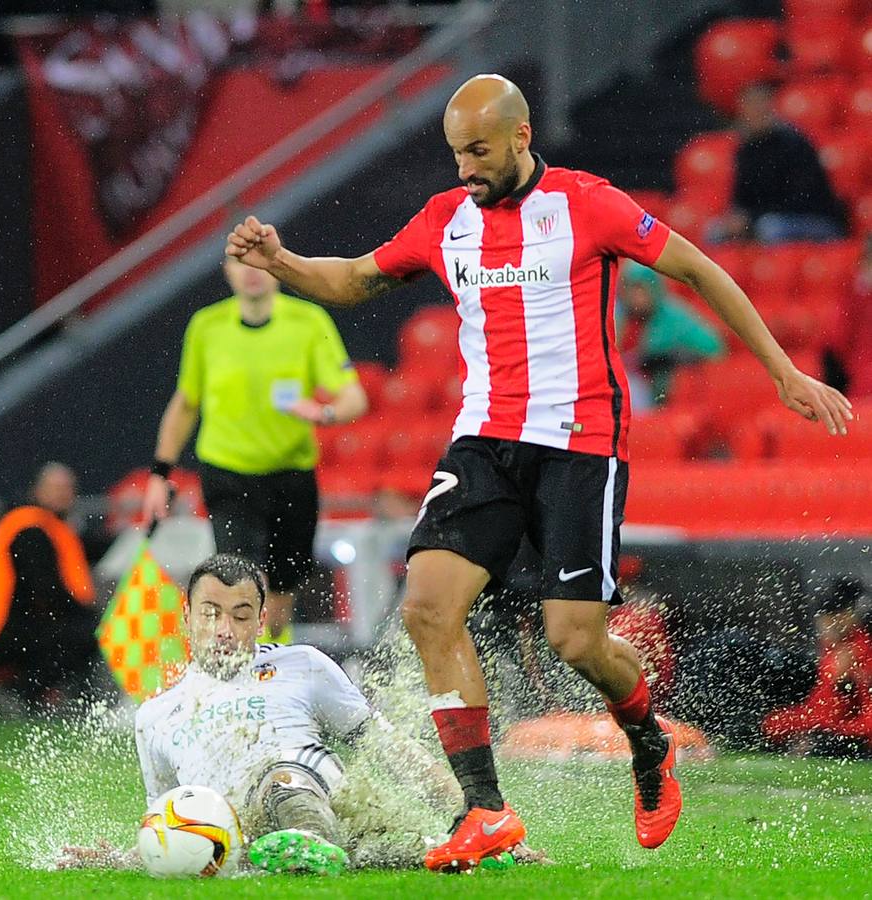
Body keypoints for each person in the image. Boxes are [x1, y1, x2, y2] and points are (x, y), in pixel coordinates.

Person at [224, 73, 853, 871]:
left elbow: (697, 270)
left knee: (575, 639)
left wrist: (782, 374)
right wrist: (281, 260)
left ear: (521, 137)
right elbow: (354, 278)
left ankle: (646, 742)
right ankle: (485, 809)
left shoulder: (587, 202)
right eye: (456, 154)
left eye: (479, 151)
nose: (465, 170)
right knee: (427, 606)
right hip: (484, 440)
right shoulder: (447, 218)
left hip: (579, 443)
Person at [57, 552, 470, 875]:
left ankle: (312, 841)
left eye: (240, 615)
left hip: (309, 788)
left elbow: (385, 746)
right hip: (236, 832)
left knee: (280, 779)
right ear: (186, 616)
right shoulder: (155, 716)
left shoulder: (303, 664)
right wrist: (122, 858)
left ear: (261, 620)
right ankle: (298, 852)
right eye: (210, 613)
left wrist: (467, 813)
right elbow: (170, 814)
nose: (224, 629)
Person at [142, 257, 368, 645]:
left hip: (290, 474)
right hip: (227, 472)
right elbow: (186, 403)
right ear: (226, 270)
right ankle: (235, 670)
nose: (251, 270)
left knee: (281, 590)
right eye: (239, 261)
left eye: (260, 260)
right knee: (236, 577)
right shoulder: (206, 326)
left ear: (278, 266)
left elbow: (355, 397)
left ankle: (271, 661)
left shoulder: (308, 322)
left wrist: (324, 412)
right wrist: (160, 475)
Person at [0, 463, 99, 715]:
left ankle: (20, 694)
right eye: (55, 488)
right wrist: (86, 615)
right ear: (37, 491)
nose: (62, 494)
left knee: (77, 632)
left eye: (67, 488)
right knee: (84, 636)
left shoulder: (45, 525)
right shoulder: (30, 528)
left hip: (2, 625)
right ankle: (18, 693)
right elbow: (44, 588)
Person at [708, 82, 846, 244]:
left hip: (814, 220)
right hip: (764, 218)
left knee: (770, 228)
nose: (754, 112)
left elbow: (801, 200)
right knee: (714, 231)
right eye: (749, 107)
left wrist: (751, 218)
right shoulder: (746, 149)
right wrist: (736, 218)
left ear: (771, 107)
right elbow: (741, 198)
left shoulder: (794, 144)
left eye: (759, 105)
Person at [763, 578, 872, 758]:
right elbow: (823, 705)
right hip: (832, 720)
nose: (823, 627)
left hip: (854, 725)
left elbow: (849, 706)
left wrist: (843, 681)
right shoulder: (833, 646)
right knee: (771, 723)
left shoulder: (861, 647)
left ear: (847, 615)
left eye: (828, 619)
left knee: (830, 740)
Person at [616, 260, 725, 409]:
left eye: (641, 289)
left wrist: (672, 355)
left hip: (669, 386)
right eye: (632, 290)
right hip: (636, 382)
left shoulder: (672, 314)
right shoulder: (620, 317)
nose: (636, 297)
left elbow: (715, 349)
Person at [823, 233, 872, 400]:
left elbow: (836, 341)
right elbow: (836, 341)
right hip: (861, 384)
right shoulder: (855, 295)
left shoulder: (857, 296)